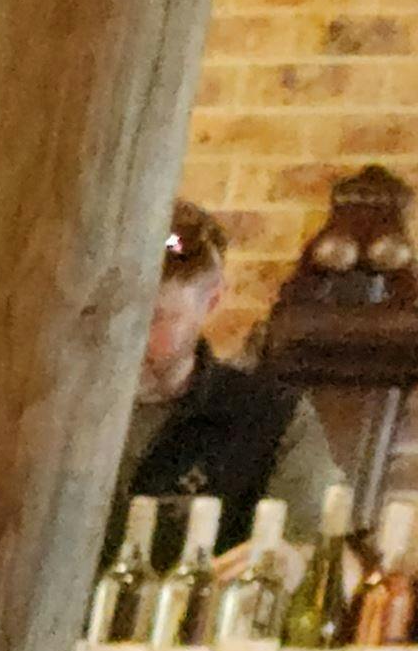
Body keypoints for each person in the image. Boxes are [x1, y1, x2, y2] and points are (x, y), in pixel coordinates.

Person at [119, 195, 341, 516]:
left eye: (154, 318)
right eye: (106, 314)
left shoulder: (271, 418)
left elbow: (323, 552)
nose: (124, 339)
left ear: (209, 303)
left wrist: (290, 555)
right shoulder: (43, 403)